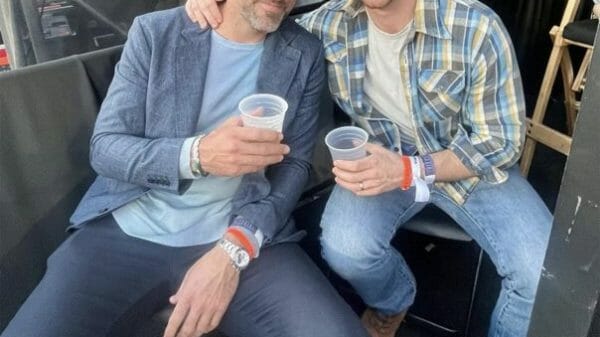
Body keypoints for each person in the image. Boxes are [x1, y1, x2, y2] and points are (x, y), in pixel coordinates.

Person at [1, 2, 370, 337]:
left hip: (242, 231)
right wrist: (197, 155)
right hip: (127, 232)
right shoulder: (156, 32)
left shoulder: (302, 50)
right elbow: (107, 148)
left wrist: (234, 249)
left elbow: (294, 164)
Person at [186, 0, 553, 336]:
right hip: (380, 160)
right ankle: (393, 304)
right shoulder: (328, 23)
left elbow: (501, 141)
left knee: (543, 277)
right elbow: (263, 17)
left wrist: (411, 169)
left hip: (468, 168)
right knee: (347, 248)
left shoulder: (474, 25)